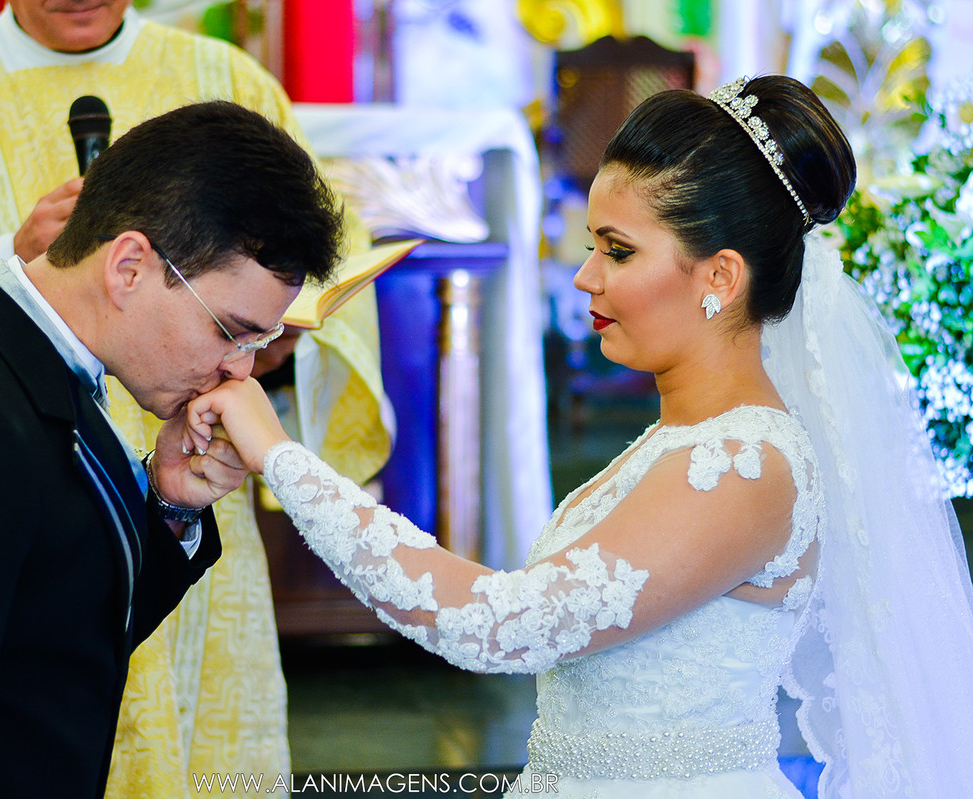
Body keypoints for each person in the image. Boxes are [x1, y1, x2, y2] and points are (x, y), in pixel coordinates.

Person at [183, 75, 973, 797]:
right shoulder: (679, 443)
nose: (586, 277)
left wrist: (278, 454)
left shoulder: (748, 465)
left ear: (721, 278)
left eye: (618, 250)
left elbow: (497, 624)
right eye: (593, 244)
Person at [0, 2, 391, 794]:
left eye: (252, 341)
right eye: (228, 332)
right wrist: (8, 244)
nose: (238, 374)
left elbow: (55, 635)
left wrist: (169, 507)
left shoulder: (66, 366)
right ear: (126, 266)